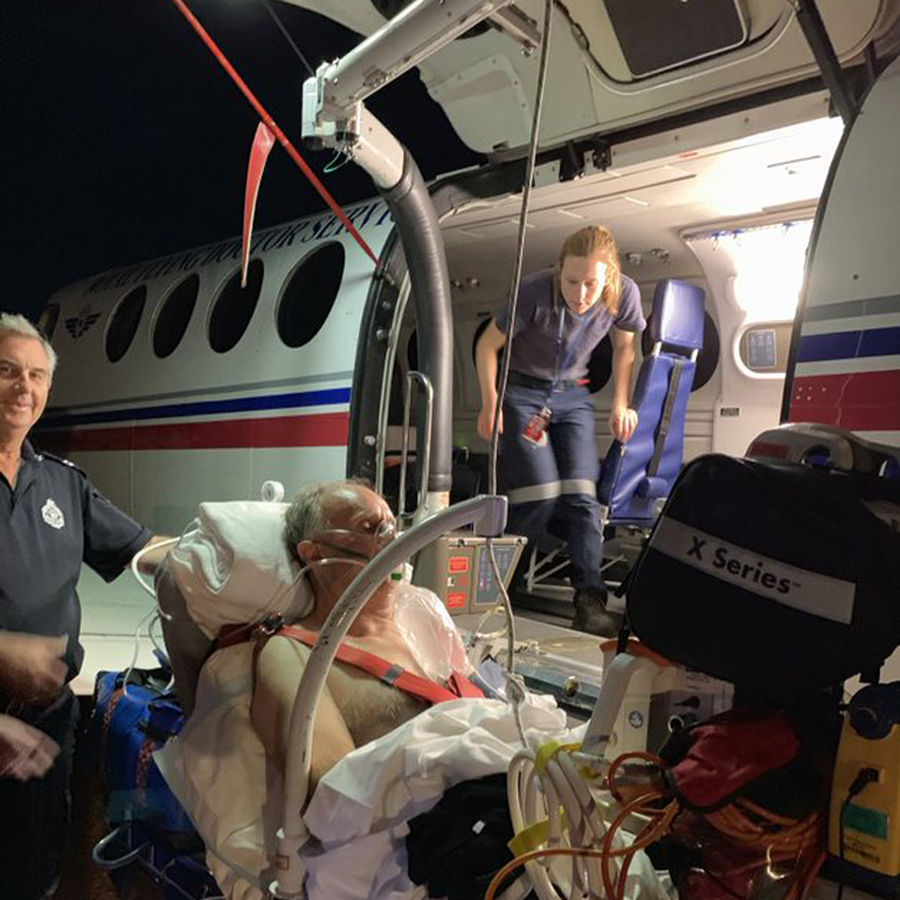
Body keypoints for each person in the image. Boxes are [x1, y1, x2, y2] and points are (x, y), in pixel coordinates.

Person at [0, 312, 169, 899]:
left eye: (37, 375)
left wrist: (243, 549)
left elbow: (146, 550)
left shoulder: (61, 485)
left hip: (46, 728)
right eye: (7, 371)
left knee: (38, 869)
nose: (25, 387)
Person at [251, 480, 477, 789]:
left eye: (391, 527)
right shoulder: (297, 654)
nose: (392, 541)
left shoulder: (424, 610)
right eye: (369, 527)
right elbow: (334, 794)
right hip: (451, 822)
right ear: (314, 553)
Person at [475, 225, 645, 636]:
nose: (581, 294)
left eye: (591, 284)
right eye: (571, 281)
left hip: (573, 395)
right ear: (558, 272)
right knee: (542, 493)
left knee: (585, 499)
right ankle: (497, 588)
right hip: (522, 392)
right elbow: (486, 346)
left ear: (608, 278)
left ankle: (589, 600)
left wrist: (622, 402)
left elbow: (625, 348)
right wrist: (490, 400)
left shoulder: (623, 294)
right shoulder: (533, 292)